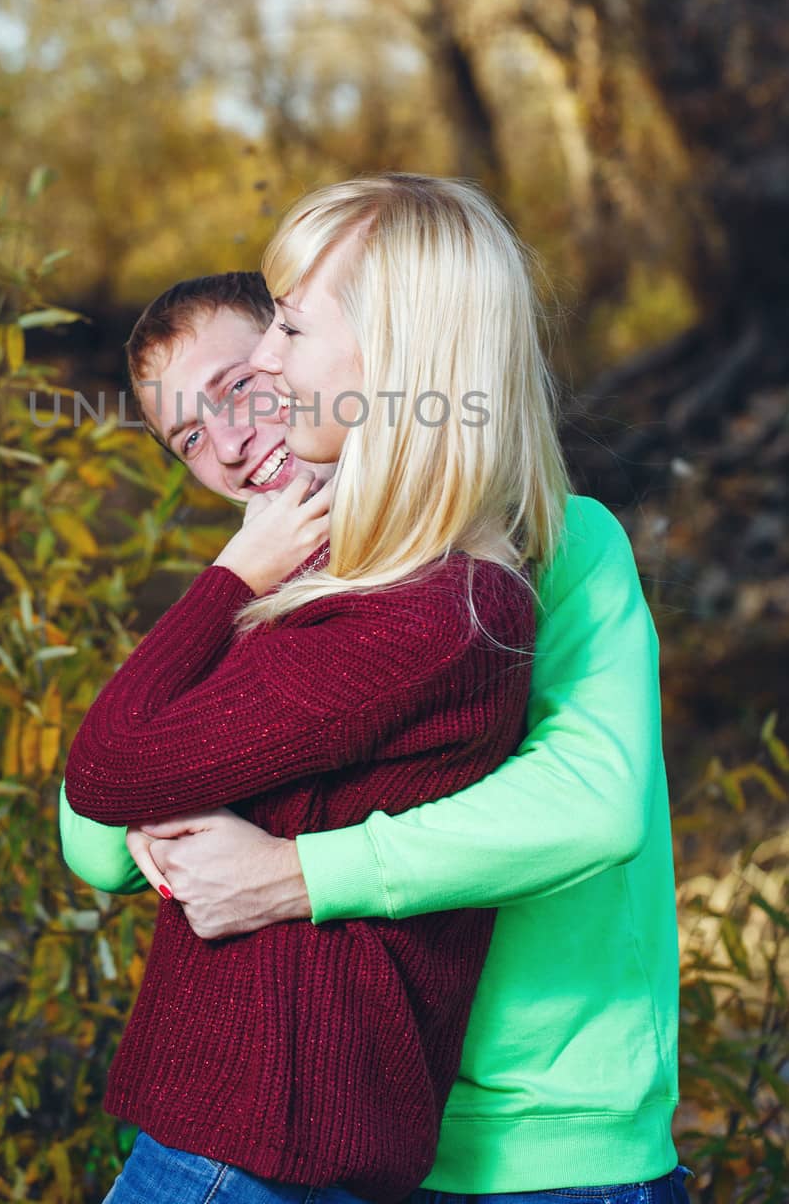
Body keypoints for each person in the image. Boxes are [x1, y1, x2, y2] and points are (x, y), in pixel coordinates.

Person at [60, 242, 692, 1204]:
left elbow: (589, 806)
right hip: (354, 1126)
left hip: (539, 1126)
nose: (226, 444)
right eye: (186, 438)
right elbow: (99, 836)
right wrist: (230, 593)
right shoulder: (285, 595)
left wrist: (291, 875)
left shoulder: (551, 539)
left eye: (245, 383)